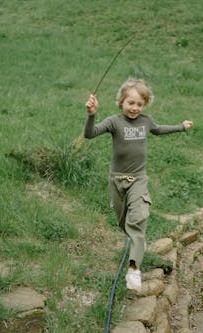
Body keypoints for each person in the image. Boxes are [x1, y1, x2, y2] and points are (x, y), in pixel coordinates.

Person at [84, 78, 193, 292]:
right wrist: (91, 115)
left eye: (139, 104)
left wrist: (181, 127)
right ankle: (136, 243)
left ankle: (134, 269)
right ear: (121, 102)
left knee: (138, 218)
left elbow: (159, 129)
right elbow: (89, 134)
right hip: (117, 180)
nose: (134, 108)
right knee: (124, 223)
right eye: (130, 103)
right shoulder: (114, 122)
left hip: (139, 180)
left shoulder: (146, 121)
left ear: (145, 105)